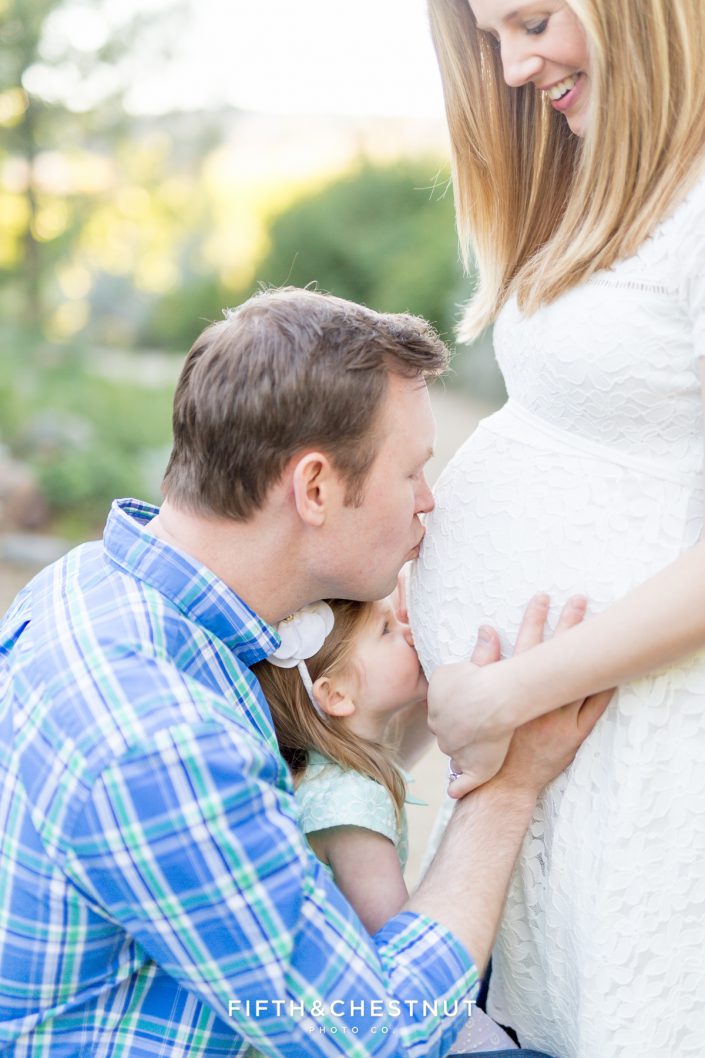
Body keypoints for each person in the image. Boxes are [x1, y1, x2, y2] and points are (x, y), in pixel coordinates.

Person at [0, 286, 609, 1057]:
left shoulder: (90, 584)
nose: (429, 503)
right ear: (315, 487)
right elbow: (374, 1033)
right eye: (412, 473)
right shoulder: (158, 739)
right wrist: (510, 788)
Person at [410, 2, 705, 1057]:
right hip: (529, 746)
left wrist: (506, 692)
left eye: (531, 21)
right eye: (492, 38)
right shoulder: (606, 170)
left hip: (614, 733)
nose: (516, 66)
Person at [254, 594, 518, 1053]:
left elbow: (421, 725)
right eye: (386, 632)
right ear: (336, 694)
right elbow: (397, 932)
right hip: (369, 1014)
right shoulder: (350, 803)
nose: (407, 632)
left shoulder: (331, 770)